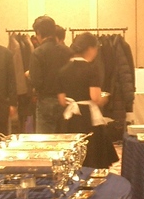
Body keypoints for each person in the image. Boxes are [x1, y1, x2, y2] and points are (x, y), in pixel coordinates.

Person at [57, 32, 119, 168]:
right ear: (90, 48)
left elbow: (61, 100)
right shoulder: (91, 69)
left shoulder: (63, 70)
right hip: (87, 118)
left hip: (70, 118)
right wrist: (105, 98)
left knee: (73, 156)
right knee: (92, 157)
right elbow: (95, 98)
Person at [29, 15, 72, 133]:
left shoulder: (37, 53)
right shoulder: (67, 51)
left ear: (38, 32)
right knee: (65, 137)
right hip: (66, 100)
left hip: (45, 101)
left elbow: (36, 82)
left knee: (45, 139)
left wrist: (29, 76)